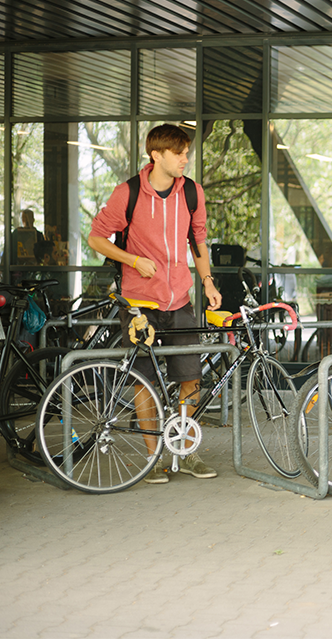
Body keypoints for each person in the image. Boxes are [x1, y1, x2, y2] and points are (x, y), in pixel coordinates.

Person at [88, 124, 222, 485]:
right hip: (138, 304)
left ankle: (185, 451)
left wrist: (207, 281)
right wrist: (132, 261)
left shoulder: (192, 192)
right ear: (156, 155)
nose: (185, 158)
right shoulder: (128, 193)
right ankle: (152, 458)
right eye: (178, 153)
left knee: (191, 377)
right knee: (143, 381)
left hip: (180, 299)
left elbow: (199, 241)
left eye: (186, 152)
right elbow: (97, 238)